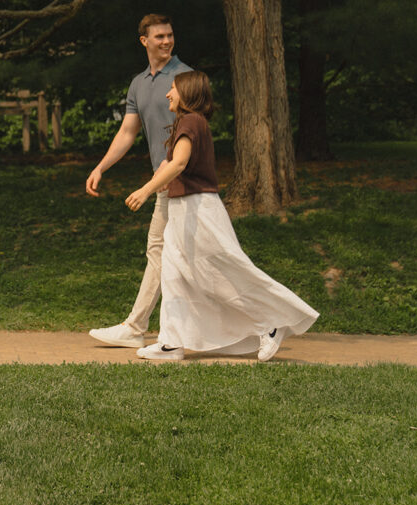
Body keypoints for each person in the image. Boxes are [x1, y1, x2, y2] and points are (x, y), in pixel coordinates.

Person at [124, 71, 319, 361]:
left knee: (219, 274)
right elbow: (177, 166)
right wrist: (164, 179)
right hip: (183, 210)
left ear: (188, 93)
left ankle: (271, 323)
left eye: (173, 88)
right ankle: (171, 342)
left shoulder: (191, 121)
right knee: (174, 274)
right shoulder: (190, 122)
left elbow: (179, 163)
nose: (168, 94)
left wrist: (145, 190)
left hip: (198, 212)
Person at [86, 14, 192, 348]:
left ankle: (137, 327)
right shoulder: (138, 84)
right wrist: (101, 167)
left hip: (182, 180)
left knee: (185, 254)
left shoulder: (185, 77)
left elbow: (192, 132)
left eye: (170, 35)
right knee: (167, 252)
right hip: (165, 181)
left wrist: (167, 173)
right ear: (144, 41)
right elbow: (127, 132)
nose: (166, 41)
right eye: (159, 36)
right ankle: (139, 327)